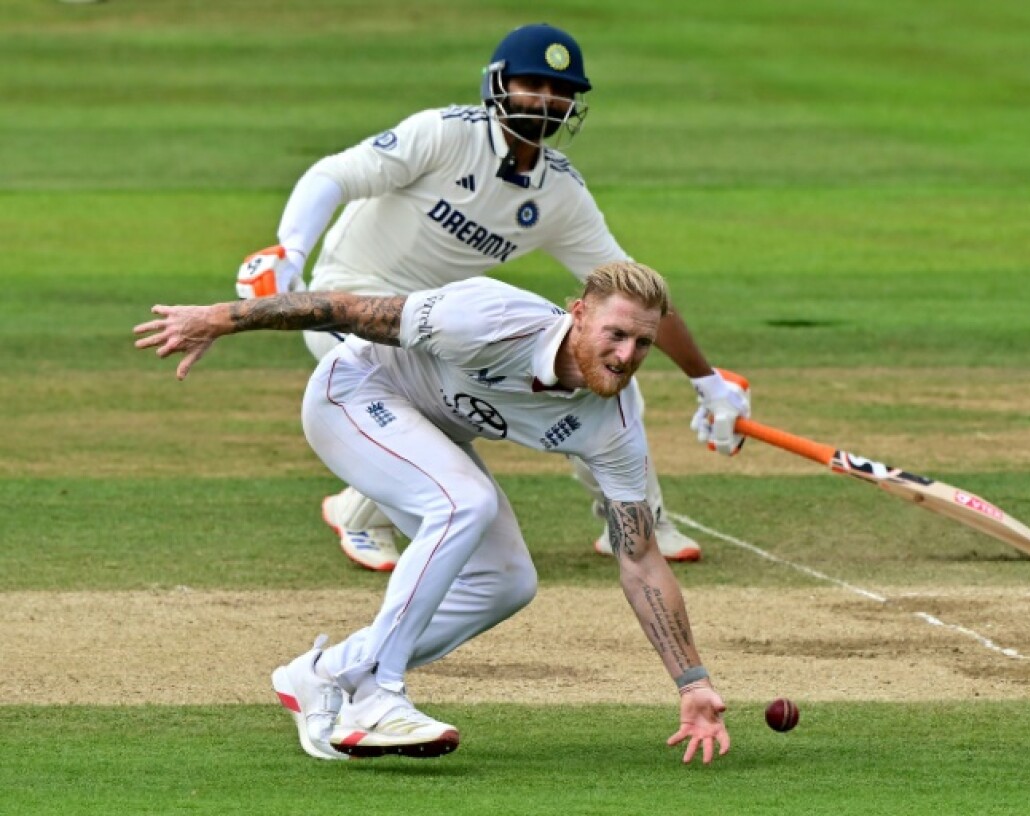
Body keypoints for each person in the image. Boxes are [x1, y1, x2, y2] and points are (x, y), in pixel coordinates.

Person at [134, 262, 734, 765]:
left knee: (508, 582)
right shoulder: (489, 320)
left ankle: (324, 674)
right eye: (616, 334)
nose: (627, 355)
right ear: (577, 312)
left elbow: (641, 560)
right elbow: (341, 310)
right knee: (462, 502)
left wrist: (693, 683)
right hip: (354, 394)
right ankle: (377, 697)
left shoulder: (615, 425)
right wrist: (218, 318)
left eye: (644, 344)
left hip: (429, 433)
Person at [234, 22, 750, 572]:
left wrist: (708, 380)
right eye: (536, 84)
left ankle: (637, 516)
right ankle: (362, 513)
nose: (549, 100)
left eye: (563, 90)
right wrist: (289, 251)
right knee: (433, 403)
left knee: (604, 374)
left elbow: (632, 295)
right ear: (498, 83)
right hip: (348, 299)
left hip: (439, 319)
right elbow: (331, 175)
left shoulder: (560, 193)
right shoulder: (443, 134)